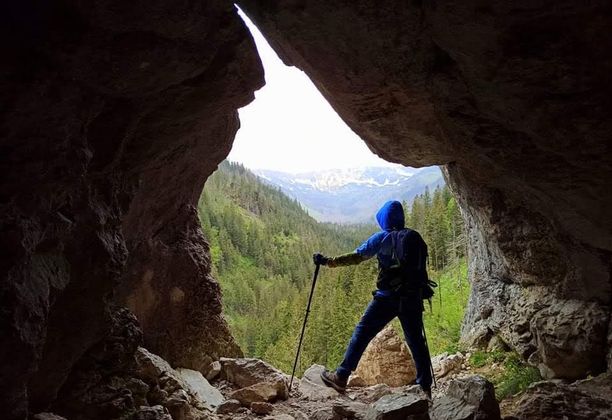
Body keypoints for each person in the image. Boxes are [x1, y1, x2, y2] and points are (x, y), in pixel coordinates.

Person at [313, 200, 433, 397]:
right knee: (416, 341)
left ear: (384, 218)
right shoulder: (414, 237)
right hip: (412, 297)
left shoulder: (382, 237)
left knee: (362, 332)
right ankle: (425, 387)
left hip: (387, 299)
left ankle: (341, 376)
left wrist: (328, 262)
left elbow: (357, 256)